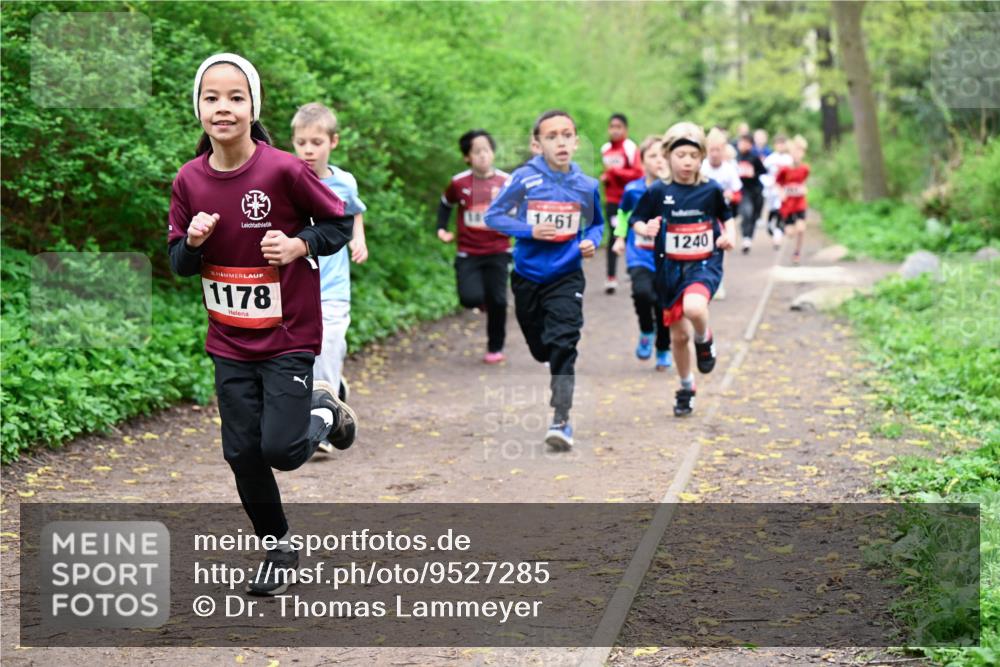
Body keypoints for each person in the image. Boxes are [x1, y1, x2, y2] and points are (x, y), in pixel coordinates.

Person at [168, 54, 356, 596]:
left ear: (253, 107)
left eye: (235, 98)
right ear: (198, 108)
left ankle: (324, 409)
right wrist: (193, 243)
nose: (222, 108)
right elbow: (179, 264)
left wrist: (298, 244)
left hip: (288, 334)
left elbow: (338, 223)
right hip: (229, 338)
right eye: (211, 98)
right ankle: (278, 546)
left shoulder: (283, 170)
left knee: (282, 450)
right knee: (241, 452)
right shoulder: (188, 180)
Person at [485, 110, 603, 451]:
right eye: (552, 136)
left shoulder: (586, 185)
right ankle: (550, 357)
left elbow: (596, 224)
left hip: (566, 275)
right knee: (542, 349)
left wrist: (591, 241)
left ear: (576, 142)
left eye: (567, 135)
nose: (561, 141)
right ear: (537, 145)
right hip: (527, 276)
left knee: (564, 343)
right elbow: (494, 216)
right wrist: (530, 230)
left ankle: (561, 419)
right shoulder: (524, 178)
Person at [629, 122, 736, 417]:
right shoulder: (657, 191)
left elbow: (727, 218)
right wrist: (645, 227)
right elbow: (635, 220)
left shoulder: (710, 189)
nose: (687, 161)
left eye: (693, 155)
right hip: (669, 270)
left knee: (695, 308)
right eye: (680, 155)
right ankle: (686, 387)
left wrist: (730, 236)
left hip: (704, 264)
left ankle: (705, 338)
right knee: (678, 338)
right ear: (667, 156)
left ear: (701, 157)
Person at [290, 102, 368, 452]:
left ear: (332, 142)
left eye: (316, 142)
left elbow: (355, 212)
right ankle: (332, 393)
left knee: (330, 343)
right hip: (297, 284)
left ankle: (323, 422)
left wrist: (359, 240)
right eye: (301, 142)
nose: (308, 149)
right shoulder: (287, 178)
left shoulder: (344, 182)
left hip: (334, 285)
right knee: (305, 351)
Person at [437, 130, 511, 364]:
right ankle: (482, 301)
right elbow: (445, 204)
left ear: (493, 153)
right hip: (468, 251)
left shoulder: (506, 182)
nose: (482, 156)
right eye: (476, 152)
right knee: (469, 298)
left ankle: (495, 347)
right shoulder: (459, 183)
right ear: (467, 157)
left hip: (499, 250)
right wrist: (442, 228)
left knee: (499, 301)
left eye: (486, 151)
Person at [612, 136, 672, 370]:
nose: (659, 161)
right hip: (639, 254)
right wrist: (618, 237)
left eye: (662, 155)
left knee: (663, 304)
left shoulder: (674, 189)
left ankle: (663, 348)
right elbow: (624, 214)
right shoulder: (633, 189)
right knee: (642, 293)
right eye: (653, 156)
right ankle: (647, 329)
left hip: (667, 258)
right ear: (642, 161)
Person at [600, 113, 643, 294]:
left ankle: (635, 269)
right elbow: (608, 172)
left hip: (630, 200)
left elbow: (638, 173)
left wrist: (616, 173)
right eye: (612, 127)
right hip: (612, 200)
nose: (615, 131)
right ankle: (611, 277)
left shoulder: (631, 147)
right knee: (614, 235)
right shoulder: (605, 149)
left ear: (625, 129)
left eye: (619, 127)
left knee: (631, 234)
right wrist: (606, 177)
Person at [700, 128, 742, 301]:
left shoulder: (729, 169)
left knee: (719, 250)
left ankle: (718, 282)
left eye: (718, 150)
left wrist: (730, 196)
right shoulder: (701, 168)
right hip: (703, 216)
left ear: (724, 151)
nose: (715, 154)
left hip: (723, 217)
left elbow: (739, 193)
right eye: (712, 150)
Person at [776, 135, 811, 264]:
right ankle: (782, 227)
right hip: (788, 205)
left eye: (800, 152)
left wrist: (803, 188)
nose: (798, 155)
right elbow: (777, 183)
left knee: (801, 228)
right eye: (795, 152)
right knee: (790, 233)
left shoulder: (805, 169)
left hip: (800, 203)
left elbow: (804, 182)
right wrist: (781, 193)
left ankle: (797, 253)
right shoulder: (784, 170)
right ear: (791, 153)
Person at [735, 133, 766, 254]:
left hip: (755, 190)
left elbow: (763, 171)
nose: (743, 145)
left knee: (754, 215)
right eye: (742, 142)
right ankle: (745, 237)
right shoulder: (735, 157)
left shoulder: (754, 157)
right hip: (743, 191)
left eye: (746, 142)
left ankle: (749, 238)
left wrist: (753, 174)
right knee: (746, 212)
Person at [762, 134, 793, 249]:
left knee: (781, 213)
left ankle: (778, 236)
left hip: (784, 192)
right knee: (772, 214)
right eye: (778, 144)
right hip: (771, 192)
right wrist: (769, 184)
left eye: (782, 144)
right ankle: (774, 231)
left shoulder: (789, 159)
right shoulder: (770, 159)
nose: (780, 146)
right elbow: (763, 174)